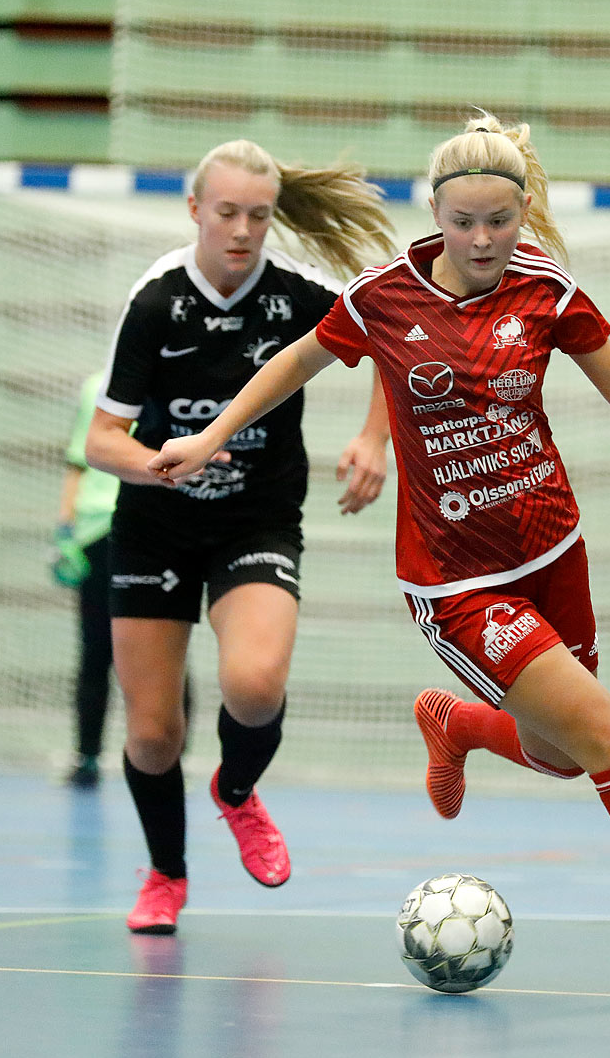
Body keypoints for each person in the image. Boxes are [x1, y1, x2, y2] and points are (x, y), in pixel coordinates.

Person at [145, 114, 610, 990]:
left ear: (523, 210)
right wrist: (213, 433)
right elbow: (295, 362)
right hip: (457, 582)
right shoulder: (385, 297)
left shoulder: (548, 293)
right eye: (463, 223)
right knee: (609, 740)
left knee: (563, 753)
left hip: (554, 549)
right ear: (436, 214)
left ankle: (458, 724)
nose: (483, 240)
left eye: (500, 221)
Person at [85, 139, 394, 934]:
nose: (243, 230)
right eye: (227, 212)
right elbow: (100, 442)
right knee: (153, 736)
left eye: (259, 215)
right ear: (195, 210)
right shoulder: (156, 302)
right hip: (154, 528)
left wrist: (373, 441)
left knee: (254, 686)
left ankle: (234, 791)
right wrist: (162, 465)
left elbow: (399, 343)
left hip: (254, 523)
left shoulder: (297, 297)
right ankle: (166, 873)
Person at [52, 370, 122, 788]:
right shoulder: (96, 385)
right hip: (97, 530)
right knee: (95, 649)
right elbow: (78, 459)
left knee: (164, 649)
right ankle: (88, 756)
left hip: (153, 524)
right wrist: (65, 529)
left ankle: (170, 758)